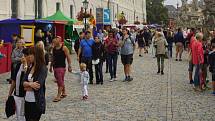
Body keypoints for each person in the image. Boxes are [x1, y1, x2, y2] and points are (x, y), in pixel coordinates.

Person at [23, 46, 48, 121]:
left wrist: (26, 86)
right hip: (27, 100)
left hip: (36, 102)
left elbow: (38, 86)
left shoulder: (43, 68)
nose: (29, 56)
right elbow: (23, 83)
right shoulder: (30, 67)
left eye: (31, 54)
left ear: (36, 55)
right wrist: (30, 84)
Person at [7, 48, 32, 121]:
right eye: (23, 55)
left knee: (26, 115)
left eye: (25, 55)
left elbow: (27, 77)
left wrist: (25, 64)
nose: (23, 57)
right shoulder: (18, 65)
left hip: (26, 96)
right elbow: (14, 80)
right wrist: (10, 94)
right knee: (19, 116)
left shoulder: (32, 67)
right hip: (17, 94)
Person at [50, 36, 72, 102]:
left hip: (61, 67)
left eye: (55, 41)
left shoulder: (64, 48)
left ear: (59, 41)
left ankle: (58, 95)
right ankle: (64, 92)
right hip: (55, 67)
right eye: (53, 41)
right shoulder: (54, 48)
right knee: (60, 80)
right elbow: (53, 58)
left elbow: (68, 57)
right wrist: (51, 66)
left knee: (59, 81)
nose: (53, 42)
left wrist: (69, 66)